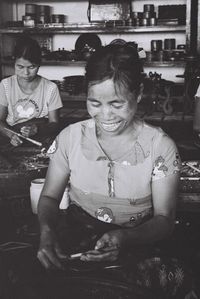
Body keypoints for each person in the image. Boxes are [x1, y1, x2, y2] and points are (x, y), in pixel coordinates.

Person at [37, 44, 196, 298]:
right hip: (78, 235)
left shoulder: (159, 146)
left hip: (138, 241)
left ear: (139, 93)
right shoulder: (70, 138)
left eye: (117, 103)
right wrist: (47, 232)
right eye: (95, 103)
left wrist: (125, 238)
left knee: (175, 277)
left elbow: (165, 219)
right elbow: (49, 198)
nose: (105, 114)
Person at [0, 34, 63, 147]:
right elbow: (0, 120)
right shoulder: (5, 85)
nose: (26, 73)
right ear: (14, 63)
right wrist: (11, 135)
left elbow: (55, 123)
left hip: (40, 138)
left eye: (31, 67)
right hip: (12, 138)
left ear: (39, 64)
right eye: (20, 67)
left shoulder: (50, 88)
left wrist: (36, 129)